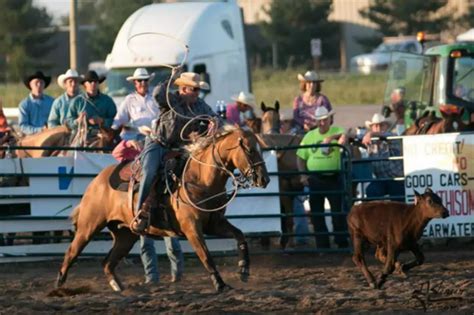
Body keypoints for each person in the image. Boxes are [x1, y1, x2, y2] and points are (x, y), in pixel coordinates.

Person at [111, 67, 183, 284]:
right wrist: (130, 132)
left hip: (160, 144)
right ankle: (152, 276)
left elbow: (167, 107)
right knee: (146, 226)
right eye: (139, 81)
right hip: (140, 146)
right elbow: (116, 124)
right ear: (135, 83)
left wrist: (173, 77)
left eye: (144, 81)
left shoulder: (157, 98)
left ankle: (176, 273)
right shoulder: (129, 101)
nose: (142, 84)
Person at [131, 70, 223, 234]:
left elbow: (215, 117)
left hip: (182, 148)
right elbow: (158, 93)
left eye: (198, 89)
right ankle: (140, 211)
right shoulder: (171, 99)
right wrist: (172, 78)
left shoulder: (200, 105)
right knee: (149, 171)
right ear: (183, 89)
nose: (197, 93)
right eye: (193, 89)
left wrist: (215, 121)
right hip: (159, 143)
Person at [296, 107, 348, 249]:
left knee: (337, 212)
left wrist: (331, 138)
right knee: (317, 214)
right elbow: (300, 157)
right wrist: (303, 175)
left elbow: (346, 135)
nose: (322, 123)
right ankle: (323, 244)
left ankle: (341, 241)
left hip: (333, 177)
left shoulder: (337, 130)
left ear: (330, 119)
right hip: (316, 178)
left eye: (325, 119)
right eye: (320, 120)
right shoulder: (309, 136)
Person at [362, 113, 404, 202]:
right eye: (375, 126)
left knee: (398, 201)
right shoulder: (370, 142)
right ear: (372, 127)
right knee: (371, 191)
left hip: (396, 179)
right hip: (381, 180)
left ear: (386, 126)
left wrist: (371, 134)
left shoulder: (392, 138)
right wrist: (345, 136)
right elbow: (354, 137)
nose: (378, 128)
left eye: (381, 125)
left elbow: (388, 136)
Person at [66, 70, 117, 136]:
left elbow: (116, 120)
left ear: (98, 83)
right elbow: (68, 121)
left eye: (95, 81)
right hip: (81, 136)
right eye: (90, 81)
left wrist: (102, 121)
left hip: (103, 136)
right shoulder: (77, 101)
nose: (93, 83)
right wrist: (78, 121)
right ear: (85, 84)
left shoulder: (108, 101)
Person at [18, 71, 54, 135]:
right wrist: (40, 130)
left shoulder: (52, 102)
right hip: (31, 138)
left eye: (41, 83)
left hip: (49, 135)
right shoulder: (24, 104)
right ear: (30, 85)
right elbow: (23, 126)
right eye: (36, 82)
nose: (39, 85)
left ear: (44, 85)